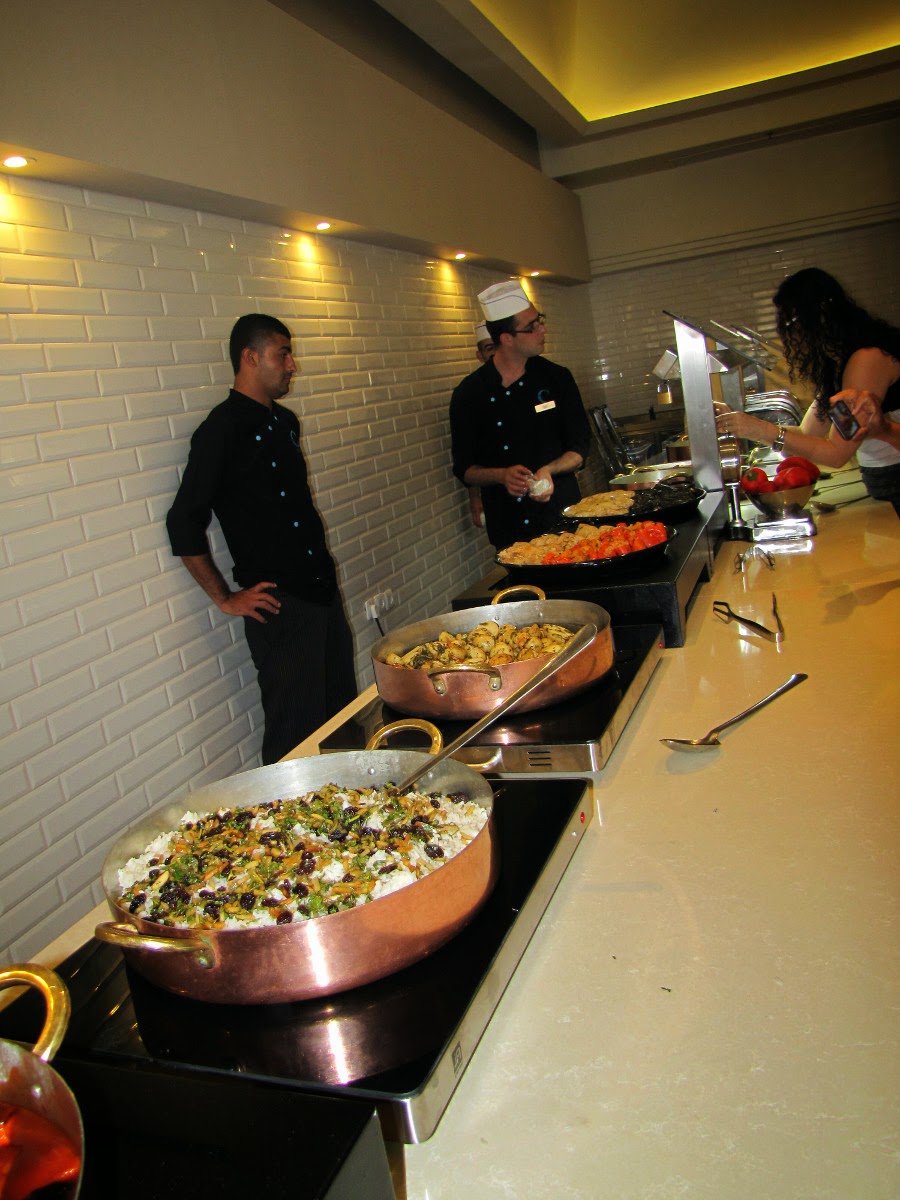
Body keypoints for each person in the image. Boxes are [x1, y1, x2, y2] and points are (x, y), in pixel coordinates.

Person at [166, 313, 356, 764]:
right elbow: (183, 522)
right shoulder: (220, 430)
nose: (292, 365)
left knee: (342, 720)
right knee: (294, 737)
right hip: (279, 603)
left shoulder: (285, 421)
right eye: (282, 354)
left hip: (321, 591)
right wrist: (224, 597)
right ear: (250, 357)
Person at [715, 268, 900, 511]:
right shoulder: (838, 362)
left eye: (791, 323)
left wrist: (760, 429)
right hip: (885, 482)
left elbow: (837, 453)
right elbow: (808, 433)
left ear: (820, 316)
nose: (791, 336)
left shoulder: (866, 359)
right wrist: (744, 425)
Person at [450, 281, 592, 549]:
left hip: (562, 518)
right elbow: (465, 468)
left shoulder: (557, 378)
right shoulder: (469, 393)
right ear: (507, 339)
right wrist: (502, 475)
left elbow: (580, 446)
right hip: (508, 525)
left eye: (540, 321)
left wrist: (549, 469)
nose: (542, 329)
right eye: (532, 326)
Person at [466, 322, 497, 531]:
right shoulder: (471, 392)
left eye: (496, 346)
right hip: (496, 491)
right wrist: (474, 497)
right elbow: (469, 454)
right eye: (488, 348)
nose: (494, 353)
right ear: (480, 356)